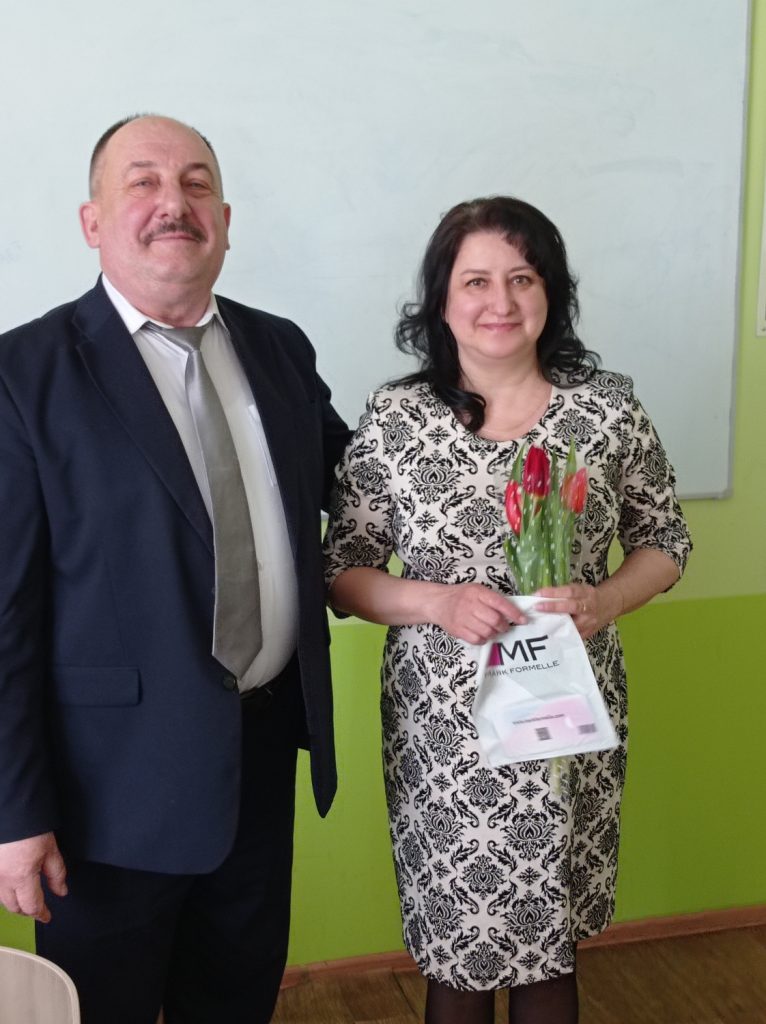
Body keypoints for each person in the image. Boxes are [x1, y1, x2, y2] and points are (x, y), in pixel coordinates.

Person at [0, 114, 350, 1024]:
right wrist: (14, 813)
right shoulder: (22, 374)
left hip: (259, 765)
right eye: (144, 182)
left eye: (197, 184)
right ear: (92, 220)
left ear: (225, 220)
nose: (174, 203)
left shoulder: (280, 348)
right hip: (105, 800)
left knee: (236, 1005)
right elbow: (5, 617)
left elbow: (363, 485)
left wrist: (499, 405)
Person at [323, 196, 691, 1024]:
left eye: (523, 279)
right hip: (444, 732)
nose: (501, 301)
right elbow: (343, 571)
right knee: (458, 947)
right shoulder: (396, 418)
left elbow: (665, 540)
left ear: (551, 291)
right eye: (476, 281)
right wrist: (436, 601)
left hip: (566, 717)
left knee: (549, 942)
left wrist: (605, 598)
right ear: (442, 299)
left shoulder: (607, 409)